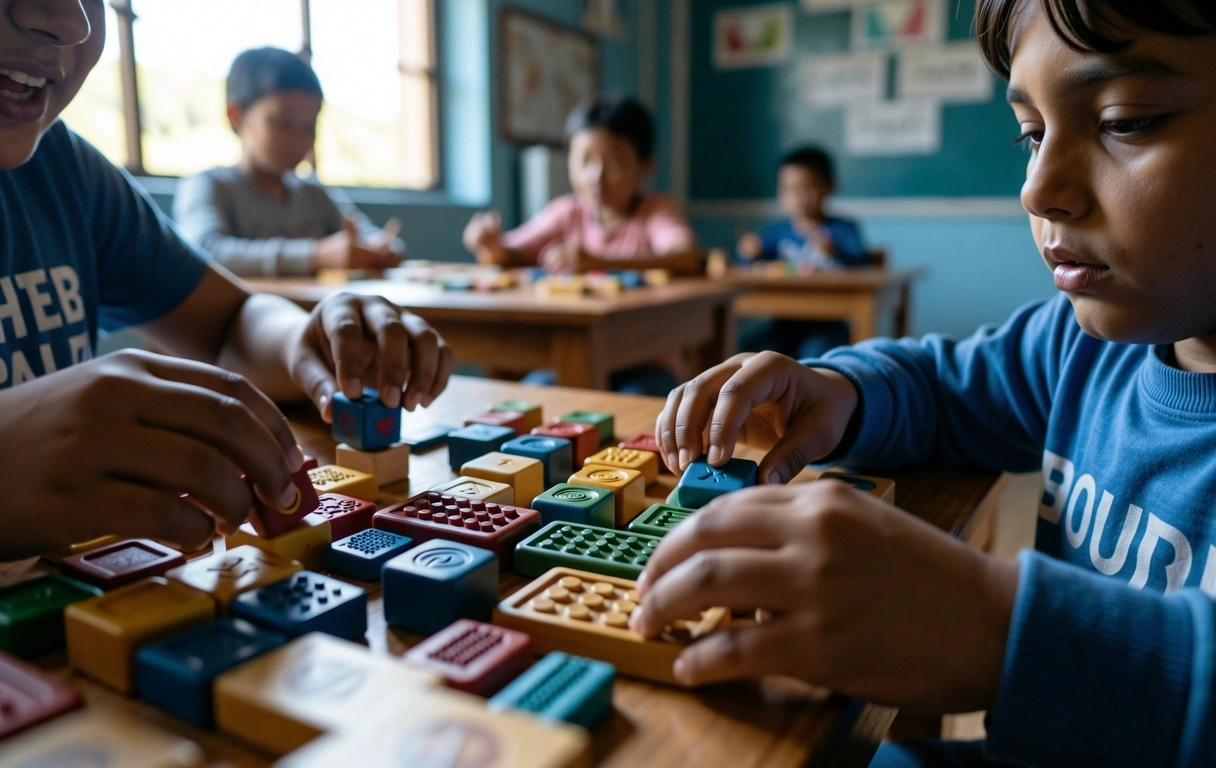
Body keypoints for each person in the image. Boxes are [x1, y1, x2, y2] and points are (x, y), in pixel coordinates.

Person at [635, 1, 1216, 766]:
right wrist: (840, 391)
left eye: (1126, 120)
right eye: (1032, 134)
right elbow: (947, 384)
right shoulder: (1081, 346)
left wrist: (996, 631)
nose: (1038, 188)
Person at [0, 1, 452, 560]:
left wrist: (298, 339)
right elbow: (214, 249)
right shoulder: (207, 185)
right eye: (281, 122)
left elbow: (228, 323)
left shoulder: (65, 170)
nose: (72, 21)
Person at [174, 47, 404, 278]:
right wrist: (316, 255)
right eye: (283, 123)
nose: (299, 140)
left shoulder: (314, 193)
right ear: (237, 116)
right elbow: (203, 251)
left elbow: (374, 238)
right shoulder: (209, 186)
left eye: (309, 127)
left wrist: (383, 249)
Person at [462, 96, 700, 275]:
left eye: (614, 163)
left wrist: (601, 262)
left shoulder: (655, 211)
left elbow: (686, 256)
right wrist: (492, 246)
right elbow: (512, 253)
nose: (595, 177)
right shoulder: (567, 212)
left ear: (646, 166)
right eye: (584, 160)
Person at [736, 146, 867, 270]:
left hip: (832, 294)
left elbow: (863, 267)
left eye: (806, 188)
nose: (797, 197)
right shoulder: (774, 233)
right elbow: (752, 266)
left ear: (830, 186)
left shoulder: (844, 230)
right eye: (788, 189)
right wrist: (748, 253)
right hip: (783, 294)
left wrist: (835, 252)